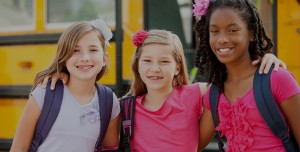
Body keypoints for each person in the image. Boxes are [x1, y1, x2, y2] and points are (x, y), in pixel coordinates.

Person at [43, 28, 285, 151]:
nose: (154, 69)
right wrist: (64, 74)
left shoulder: (195, 94)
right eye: (147, 61)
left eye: (165, 61)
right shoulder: (125, 107)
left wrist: (266, 61)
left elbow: (235, 83)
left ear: (178, 65)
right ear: (138, 64)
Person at [193, 0, 300, 151]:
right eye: (214, 31)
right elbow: (192, 144)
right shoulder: (215, 93)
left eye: (232, 30)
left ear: (251, 33)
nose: (222, 39)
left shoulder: (277, 79)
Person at [10, 19, 120, 152]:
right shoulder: (44, 94)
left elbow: (110, 148)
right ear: (64, 57)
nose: (85, 57)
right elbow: (19, 148)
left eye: (93, 50)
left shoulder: (109, 101)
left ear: (105, 59)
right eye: (75, 50)